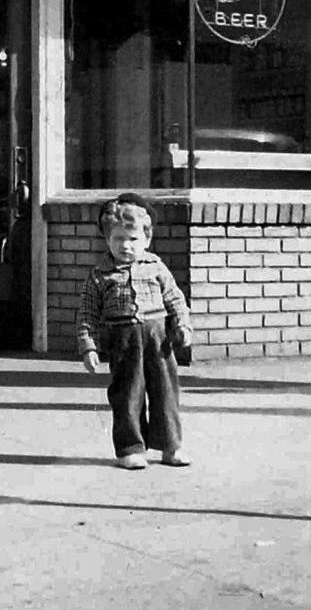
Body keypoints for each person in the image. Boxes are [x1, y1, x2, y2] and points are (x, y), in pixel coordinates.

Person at [76, 192, 193, 469]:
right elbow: (87, 315)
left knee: (166, 392)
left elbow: (175, 298)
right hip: (123, 341)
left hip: (158, 339)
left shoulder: (156, 267)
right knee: (128, 395)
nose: (126, 246)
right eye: (118, 239)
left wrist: (182, 325)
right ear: (107, 240)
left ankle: (170, 446)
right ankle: (130, 448)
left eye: (133, 239)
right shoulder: (100, 275)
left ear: (147, 239)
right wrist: (88, 347)